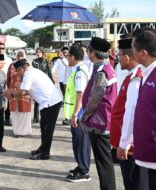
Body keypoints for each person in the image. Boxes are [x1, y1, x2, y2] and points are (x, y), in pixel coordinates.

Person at [3, 59, 62, 160]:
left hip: (50, 103)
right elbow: (27, 91)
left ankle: (45, 153)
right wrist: (13, 92)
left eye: (17, 71)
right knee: (44, 128)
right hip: (51, 102)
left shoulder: (28, 74)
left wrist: (11, 93)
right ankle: (43, 148)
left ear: (21, 69)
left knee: (47, 130)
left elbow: (22, 92)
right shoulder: (34, 71)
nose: (18, 74)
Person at [131, 27, 156, 190]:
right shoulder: (148, 71)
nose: (132, 52)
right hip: (152, 158)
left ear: (143, 53)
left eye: (133, 48)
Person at [110, 38, 149, 190]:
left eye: (119, 55)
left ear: (126, 57)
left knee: (134, 182)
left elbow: (132, 112)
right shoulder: (133, 76)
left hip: (131, 146)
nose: (117, 58)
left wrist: (124, 143)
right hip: (130, 143)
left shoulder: (136, 78)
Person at [80, 37, 117, 190]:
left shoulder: (102, 71)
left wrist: (84, 117)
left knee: (104, 163)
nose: (87, 53)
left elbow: (96, 97)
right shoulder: (106, 68)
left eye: (88, 50)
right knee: (104, 161)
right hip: (103, 121)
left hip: (100, 123)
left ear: (93, 53)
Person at [64, 45, 91, 182]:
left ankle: (84, 171)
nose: (67, 58)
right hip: (80, 112)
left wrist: (75, 114)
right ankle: (82, 166)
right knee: (81, 142)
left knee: (81, 142)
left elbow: (80, 95)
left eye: (68, 56)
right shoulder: (80, 69)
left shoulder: (79, 72)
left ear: (73, 57)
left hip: (80, 113)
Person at [7, 49, 32, 137]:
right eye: (18, 55)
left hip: (24, 92)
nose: (20, 57)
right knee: (15, 113)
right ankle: (17, 131)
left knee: (24, 112)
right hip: (13, 91)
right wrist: (9, 90)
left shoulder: (27, 66)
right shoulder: (11, 66)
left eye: (21, 55)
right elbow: (8, 78)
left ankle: (25, 131)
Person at [31, 47, 54, 123]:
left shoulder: (47, 61)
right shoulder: (34, 62)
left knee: (44, 100)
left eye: (40, 52)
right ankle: (35, 117)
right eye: (37, 52)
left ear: (43, 53)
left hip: (44, 83)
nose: (38, 53)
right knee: (36, 100)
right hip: (36, 83)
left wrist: (52, 82)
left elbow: (50, 73)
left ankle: (44, 117)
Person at [0, 43, 13, 126]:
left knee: (8, 99)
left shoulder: (9, 59)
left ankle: (7, 117)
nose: (1, 50)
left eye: (3, 48)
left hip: (6, 80)